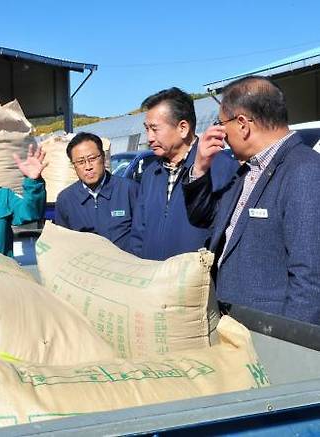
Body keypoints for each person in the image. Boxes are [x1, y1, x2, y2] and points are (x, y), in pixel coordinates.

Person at [184, 76, 320, 324]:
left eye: (221, 123)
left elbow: (310, 279)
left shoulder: (304, 170)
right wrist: (201, 167)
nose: (221, 133)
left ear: (243, 124)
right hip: (235, 325)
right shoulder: (247, 170)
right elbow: (204, 218)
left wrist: (287, 347)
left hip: (267, 333)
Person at [129, 87, 238, 260]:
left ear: (183, 128)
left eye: (155, 129)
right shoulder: (151, 174)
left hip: (196, 282)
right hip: (153, 279)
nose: (149, 137)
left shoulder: (221, 168)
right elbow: (138, 234)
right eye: (146, 129)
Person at [54, 132, 138, 250]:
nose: (88, 166)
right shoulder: (66, 199)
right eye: (80, 162)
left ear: (103, 157)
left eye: (92, 159)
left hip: (127, 265)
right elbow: (64, 245)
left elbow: (143, 234)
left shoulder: (129, 190)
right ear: (74, 165)